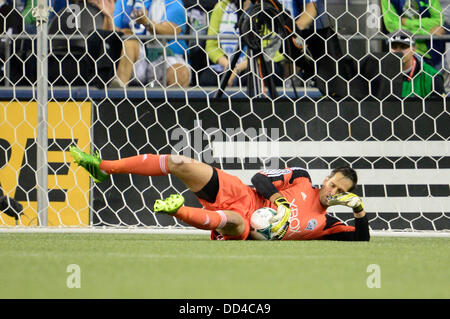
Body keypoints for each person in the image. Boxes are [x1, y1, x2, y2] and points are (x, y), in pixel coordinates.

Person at [69, 145, 370, 241]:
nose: (333, 191)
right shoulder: (302, 178)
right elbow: (259, 178)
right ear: (327, 178)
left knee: (236, 223)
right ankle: (104, 166)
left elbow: (361, 237)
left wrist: (358, 210)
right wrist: (278, 201)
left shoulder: (326, 225)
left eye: (341, 192)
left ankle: (177, 210)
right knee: (177, 162)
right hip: (242, 193)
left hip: (246, 222)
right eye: (333, 183)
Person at [109, 0, 191, 88]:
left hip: (166, 56)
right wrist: (107, 15)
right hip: (135, 58)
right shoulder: (123, 2)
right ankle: (119, 93)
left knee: (181, 73)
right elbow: (111, 32)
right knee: (130, 40)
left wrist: (147, 23)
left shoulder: (173, 2)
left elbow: (171, 31)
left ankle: (170, 101)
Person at [381, 0, 445, 69]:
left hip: (434, 53)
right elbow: (393, 27)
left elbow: (439, 20)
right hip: (404, 52)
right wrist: (427, 33)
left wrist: (407, 22)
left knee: (434, 78)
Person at [389, 29, 445, 97]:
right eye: (394, 47)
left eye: (403, 47)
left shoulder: (432, 76)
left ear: (414, 49)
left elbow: (440, 107)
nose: (398, 52)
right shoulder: (380, 75)